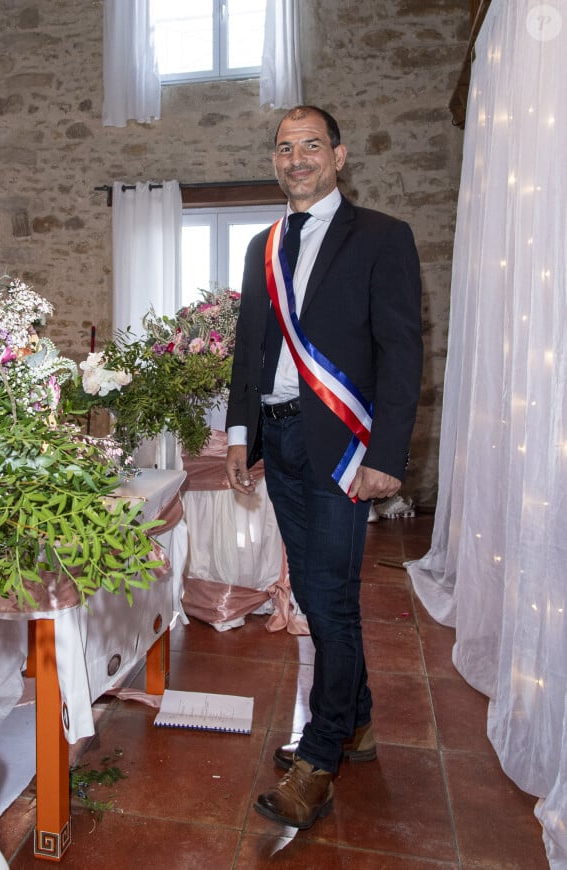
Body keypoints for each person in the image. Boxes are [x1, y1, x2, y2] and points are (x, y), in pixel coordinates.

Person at [225, 105, 423, 829]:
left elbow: (403, 353)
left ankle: (319, 759)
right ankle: (357, 722)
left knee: (333, 602)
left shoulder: (382, 238)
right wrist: (241, 437)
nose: (297, 157)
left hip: (342, 447)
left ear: (339, 157)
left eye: (312, 145)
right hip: (280, 440)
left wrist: (386, 457)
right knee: (314, 593)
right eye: (285, 147)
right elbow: (251, 348)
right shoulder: (263, 244)